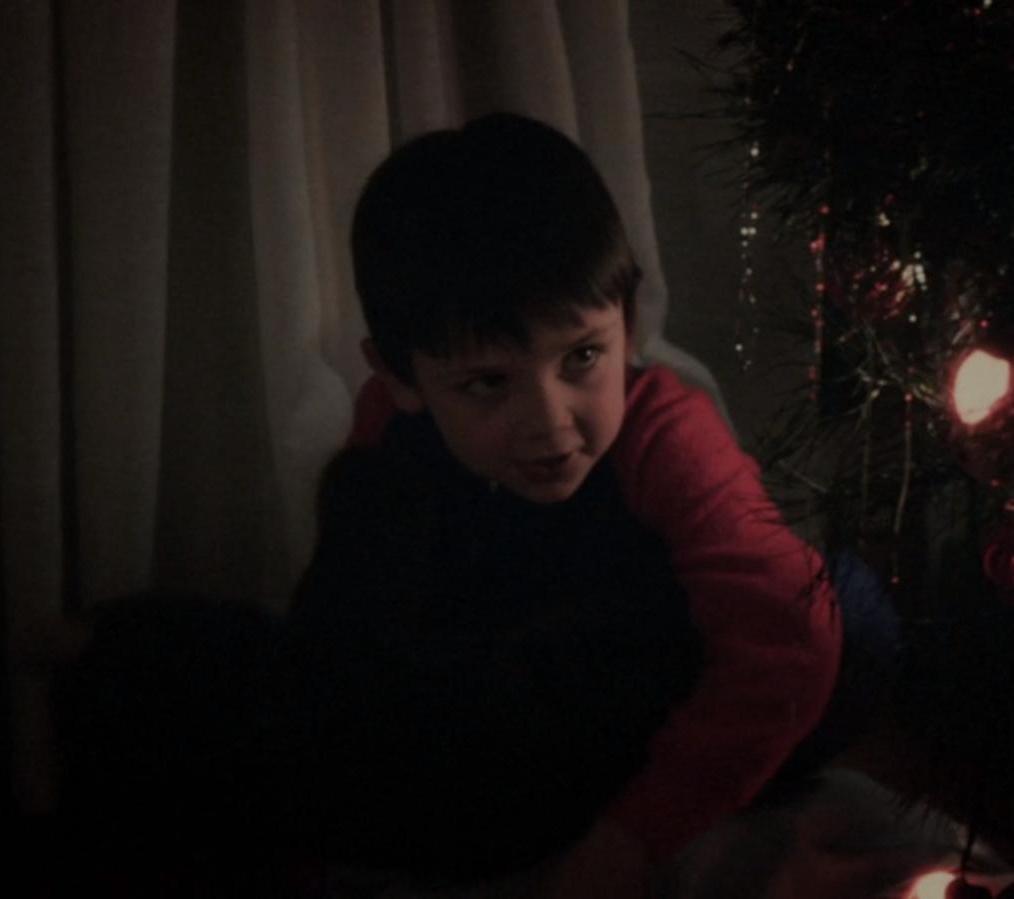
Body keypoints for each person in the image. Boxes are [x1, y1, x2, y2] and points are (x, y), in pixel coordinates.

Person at [325, 111, 872, 896]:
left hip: (677, 675)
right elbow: (357, 636)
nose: (551, 423)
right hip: (539, 689)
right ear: (401, 377)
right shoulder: (388, 432)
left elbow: (789, 638)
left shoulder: (664, 432)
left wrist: (634, 835)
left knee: (852, 611)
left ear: (629, 322)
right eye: (488, 382)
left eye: (582, 356)